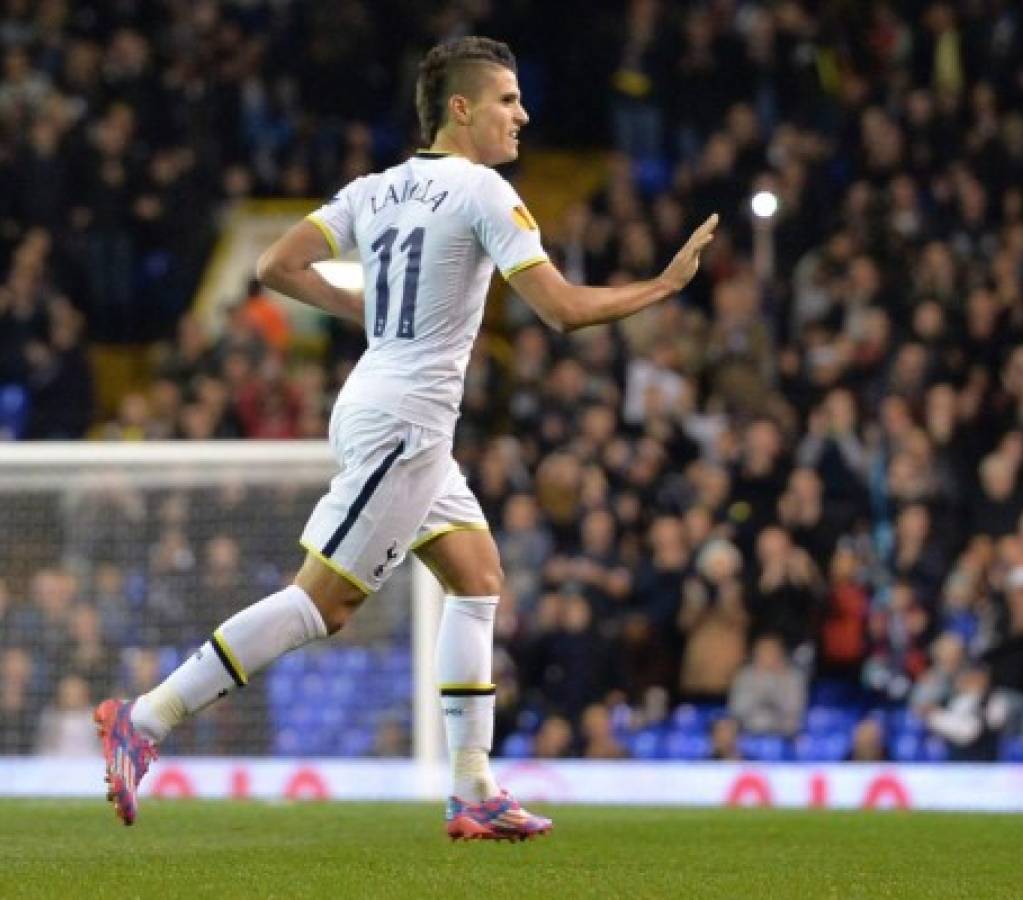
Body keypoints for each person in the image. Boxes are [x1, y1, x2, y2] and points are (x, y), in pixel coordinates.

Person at [95, 35, 717, 839]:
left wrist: (377, 315)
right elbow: (559, 310)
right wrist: (664, 286)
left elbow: (276, 267)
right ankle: (142, 720)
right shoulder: (485, 192)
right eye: (507, 100)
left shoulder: (376, 189)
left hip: (385, 403)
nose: (522, 115)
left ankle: (472, 790)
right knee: (323, 604)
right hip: (405, 420)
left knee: (476, 575)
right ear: (461, 109)